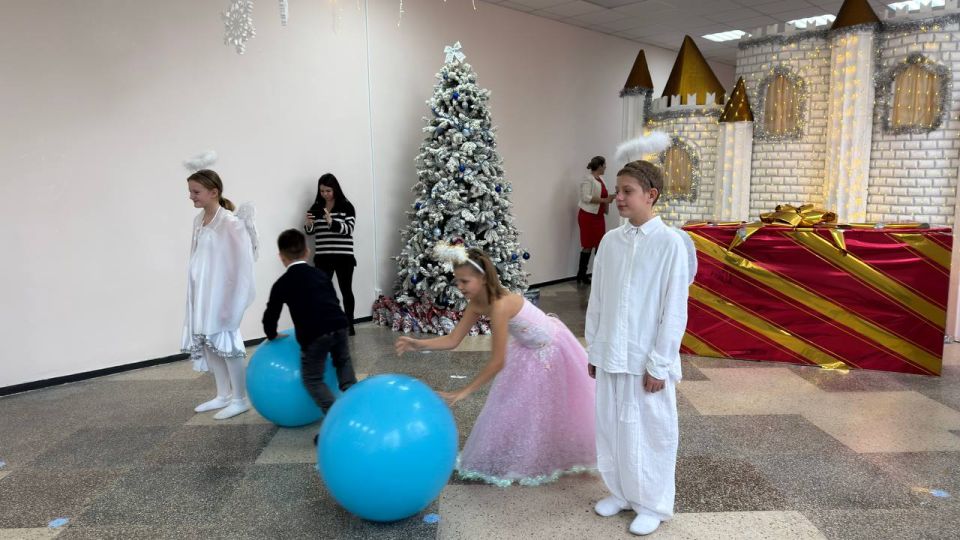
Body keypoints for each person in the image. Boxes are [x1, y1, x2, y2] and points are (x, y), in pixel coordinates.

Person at [395, 244, 596, 486]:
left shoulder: (500, 305)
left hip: (550, 349)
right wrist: (417, 344)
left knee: (547, 406)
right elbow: (453, 339)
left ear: (482, 277)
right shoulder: (477, 303)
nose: (459, 287)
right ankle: (525, 448)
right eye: (457, 281)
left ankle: (549, 451)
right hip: (527, 347)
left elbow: (498, 361)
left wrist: (464, 391)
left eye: (465, 281)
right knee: (517, 406)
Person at [585, 160, 694, 535]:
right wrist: (594, 350)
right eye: (617, 190)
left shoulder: (670, 244)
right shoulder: (611, 241)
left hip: (645, 357)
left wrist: (660, 364)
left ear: (651, 195)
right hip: (611, 352)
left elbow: (674, 309)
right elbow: (597, 300)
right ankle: (621, 492)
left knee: (651, 431)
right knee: (613, 426)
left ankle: (652, 503)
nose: (618, 198)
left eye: (627, 191)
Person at [262, 229, 357, 443]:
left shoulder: (282, 283)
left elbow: (271, 313)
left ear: (281, 257)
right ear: (307, 251)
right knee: (343, 362)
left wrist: (271, 334)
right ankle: (352, 395)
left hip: (314, 335)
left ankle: (336, 417)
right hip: (339, 325)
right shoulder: (320, 274)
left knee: (312, 378)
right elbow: (334, 299)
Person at [181, 169, 258, 420]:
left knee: (227, 343)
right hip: (203, 293)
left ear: (214, 192)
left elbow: (243, 262)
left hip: (221, 295)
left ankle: (240, 398)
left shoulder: (230, 222)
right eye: (190, 191)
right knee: (209, 341)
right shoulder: (199, 220)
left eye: (196, 192)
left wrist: (232, 299)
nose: (191, 196)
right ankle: (223, 394)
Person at [305, 173, 357, 335]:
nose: (325, 194)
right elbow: (310, 233)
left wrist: (331, 222)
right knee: (321, 292)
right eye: (322, 191)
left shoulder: (347, 206)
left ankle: (350, 324)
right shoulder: (316, 207)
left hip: (344, 257)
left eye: (328, 190)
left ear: (335, 189)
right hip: (323, 257)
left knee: (346, 290)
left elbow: (349, 230)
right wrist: (309, 225)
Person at [576, 156, 615, 285]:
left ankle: (597, 274)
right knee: (587, 245)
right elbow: (585, 197)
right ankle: (581, 274)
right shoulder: (588, 179)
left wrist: (612, 196)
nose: (605, 167)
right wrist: (605, 200)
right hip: (587, 216)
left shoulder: (601, 179)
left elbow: (603, 196)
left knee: (600, 244)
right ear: (599, 166)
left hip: (598, 216)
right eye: (604, 165)